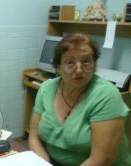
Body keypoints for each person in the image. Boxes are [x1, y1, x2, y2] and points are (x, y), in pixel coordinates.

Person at [28, 33, 131, 166]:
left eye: (86, 61)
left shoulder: (106, 95)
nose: (79, 69)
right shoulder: (47, 88)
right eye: (70, 62)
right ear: (58, 67)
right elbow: (34, 138)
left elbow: (102, 160)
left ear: (94, 65)